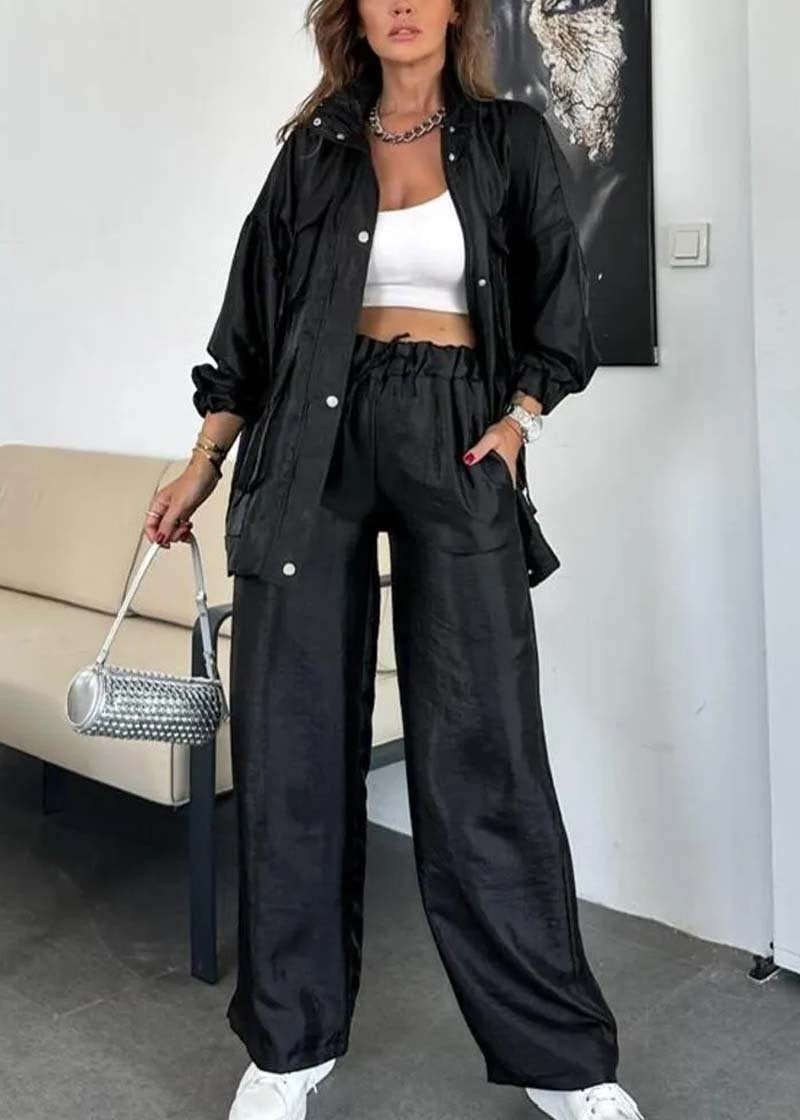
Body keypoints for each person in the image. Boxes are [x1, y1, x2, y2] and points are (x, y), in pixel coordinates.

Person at [143, 2, 646, 1118]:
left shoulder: (507, 139)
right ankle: (288, 1047)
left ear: (454, 8)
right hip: (306, 440)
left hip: (455, 428)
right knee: (291, 740)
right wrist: (202, 463)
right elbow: (248, 325)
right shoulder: (314, 150)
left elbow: (561, 302)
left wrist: (518, 420)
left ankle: (561, 1059)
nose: (403, 5)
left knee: (483, 741)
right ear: (356, 14)